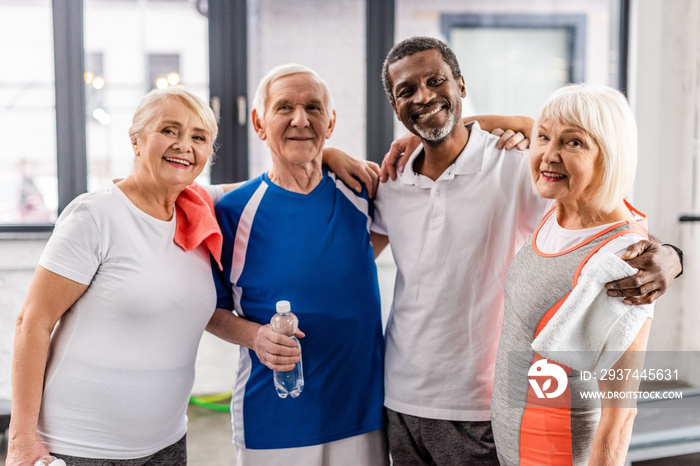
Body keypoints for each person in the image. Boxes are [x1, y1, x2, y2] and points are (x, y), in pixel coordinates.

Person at [370, 36, 682, 465]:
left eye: (436, 81)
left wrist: (670, 256)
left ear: (461, 83)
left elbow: (604, 210)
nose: (423, 96)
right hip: (400, 398)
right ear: (395, 106)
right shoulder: (390, 180)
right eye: (407, 91)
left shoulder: (517, 164)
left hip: (482, 406)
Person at [6, 86, 229, 465]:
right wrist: (21, 439)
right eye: (170, 130)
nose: (184, 145)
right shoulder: (95, 216)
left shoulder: (196, 208)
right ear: (136, 140)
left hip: (168, 442)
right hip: (80, 447)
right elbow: (33, 321)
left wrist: (326, 156)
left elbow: (269, 184)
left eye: (198, 137)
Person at [206, 64, 388, 466]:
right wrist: (255, 336)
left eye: (313, 108)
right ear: (259, 122)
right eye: (284, 107)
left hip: (362, 413)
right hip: (274, 419)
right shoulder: (232, 212)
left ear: (331, 121)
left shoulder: (366, 194)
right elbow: (209, 311)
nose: (300, 119)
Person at [491, 84, 654, 465]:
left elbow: (620, 415)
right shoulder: (559, 209)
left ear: (609, 155)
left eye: (574, 143)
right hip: (509, 443)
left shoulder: (620, 260)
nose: (549, 155)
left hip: (554, 453)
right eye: (544, 138)